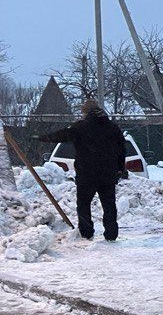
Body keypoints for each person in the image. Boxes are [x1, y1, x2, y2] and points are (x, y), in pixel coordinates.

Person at [38, 99, 128, 241]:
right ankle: (111, 234)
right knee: (109, 205)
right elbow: (122, 149)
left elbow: (63, 135)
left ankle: (87, 233)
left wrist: (42, 138)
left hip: (87, 174)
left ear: (86, 112)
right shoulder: (112, 127)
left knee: (83, 204)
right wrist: (120, 168)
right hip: (108, 174)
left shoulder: (81, 127)